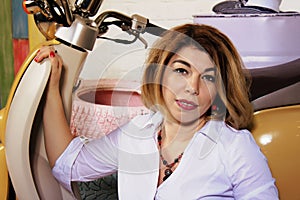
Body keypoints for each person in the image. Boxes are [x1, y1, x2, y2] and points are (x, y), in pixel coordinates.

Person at [35, 23, 279, 199]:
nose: (192, 88)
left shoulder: (236, 147)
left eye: (207, 77)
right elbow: (69, 164)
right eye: (182, 71)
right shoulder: (135, 134)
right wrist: (50, 86)